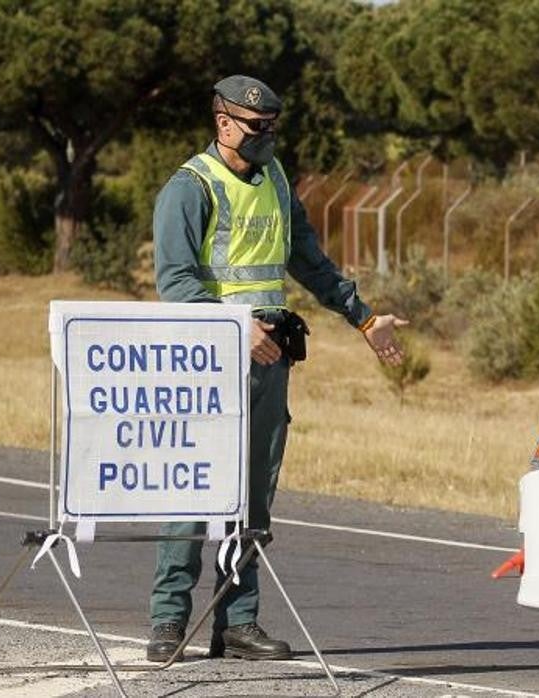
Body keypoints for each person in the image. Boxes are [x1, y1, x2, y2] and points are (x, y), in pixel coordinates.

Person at [147, 75, 407, 662]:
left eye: (272, 128)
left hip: (269, 364)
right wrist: (238, 329)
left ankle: (237, 622)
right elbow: (176, 282)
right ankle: (168, 621)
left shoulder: (276, 179)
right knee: (192, 492)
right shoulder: (190, 188)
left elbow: (310, 262)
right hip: (205, 364)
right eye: (256, 127)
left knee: (252, 495)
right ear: (224, 124)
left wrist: (364, 319)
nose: (266, 137)